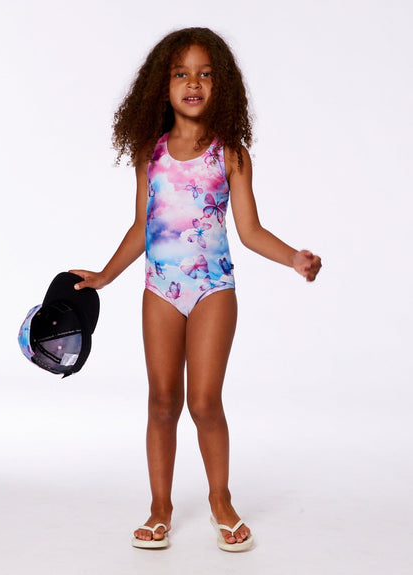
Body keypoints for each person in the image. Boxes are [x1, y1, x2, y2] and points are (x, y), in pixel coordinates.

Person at [70, 27, 321, 552]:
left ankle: (220, 499)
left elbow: (249, 230)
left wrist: (293, 257)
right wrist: (105, 275)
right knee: (163, 401)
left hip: (212, 289)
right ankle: (159, 507)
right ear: (161, 86)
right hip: (160, 289)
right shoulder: (150, 153)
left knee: (204, 402)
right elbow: (142, 226)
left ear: (220, 84)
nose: (193, 83)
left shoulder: (231, 154)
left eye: (205, 74)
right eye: (181, 74)